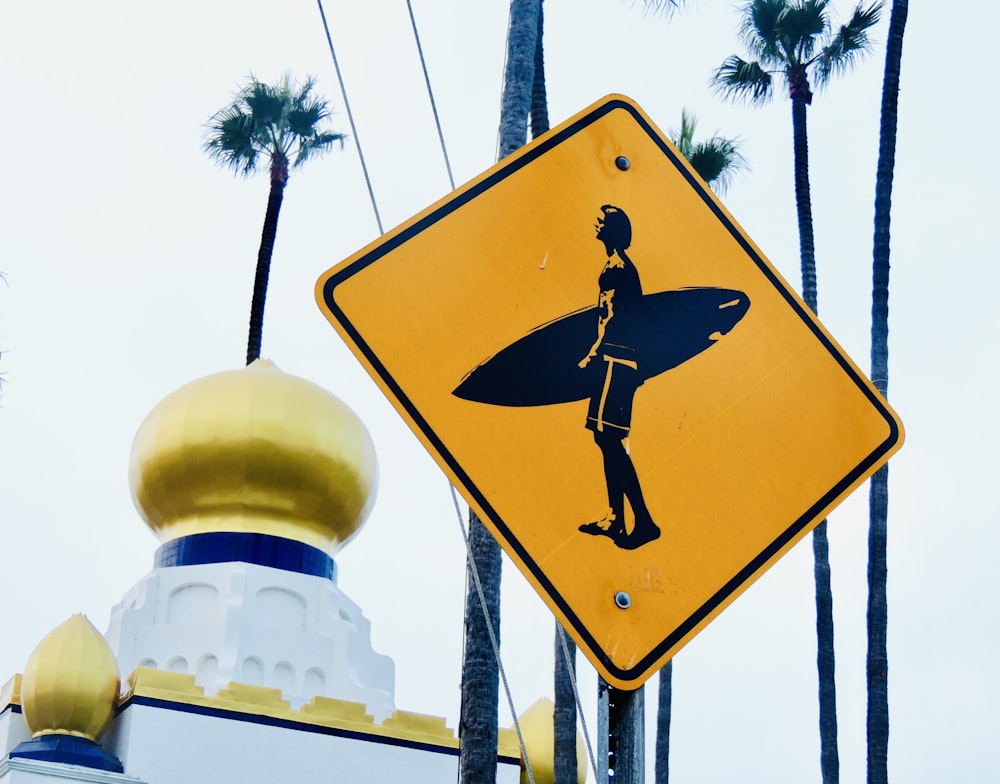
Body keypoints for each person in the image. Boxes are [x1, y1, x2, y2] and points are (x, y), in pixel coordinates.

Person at [577, 205, 661, 550]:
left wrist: (592, 353)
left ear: (612, 229)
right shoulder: (621, 267)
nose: (595, 224)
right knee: (604, 439)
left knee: (609, 440)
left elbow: (610, 316)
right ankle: (618, 518)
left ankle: (642, 520)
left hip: (616, 359)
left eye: (601, 221)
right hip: (622, 361)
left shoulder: (616, 268)